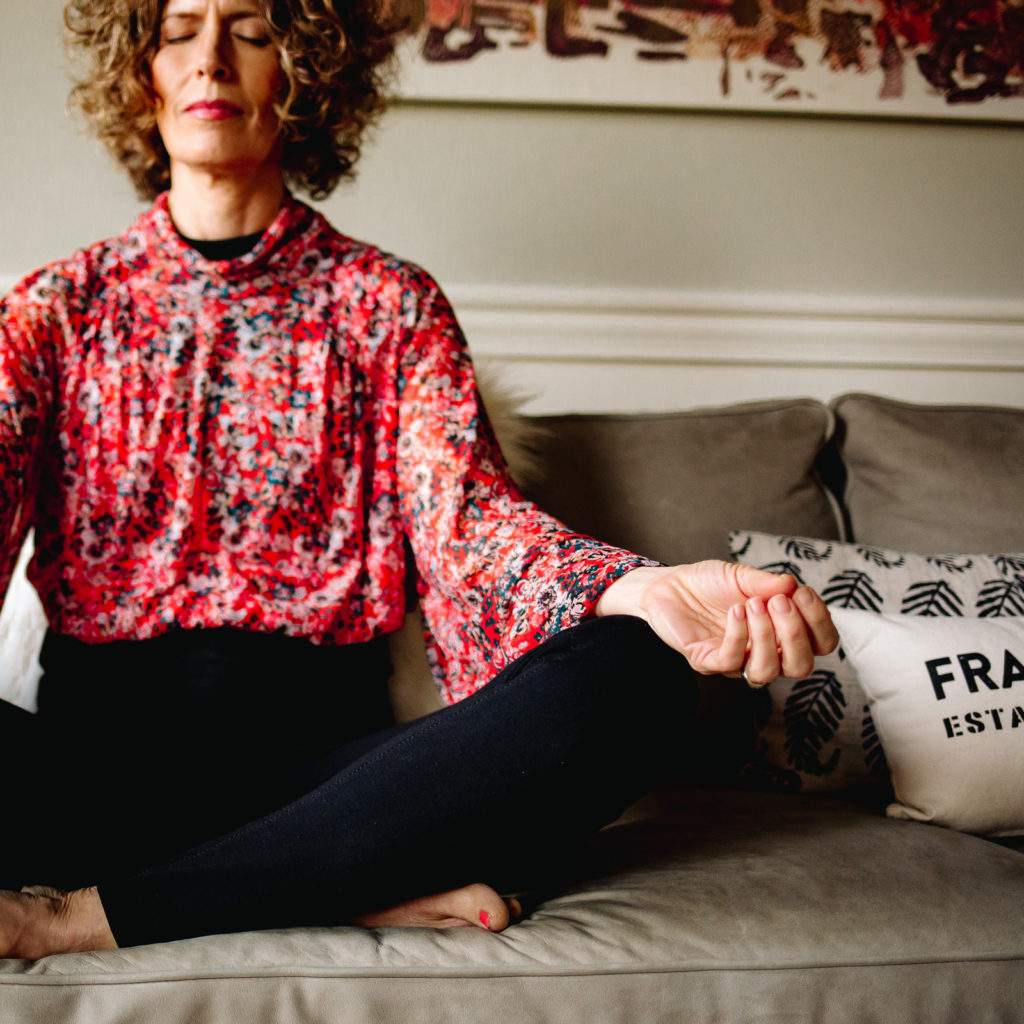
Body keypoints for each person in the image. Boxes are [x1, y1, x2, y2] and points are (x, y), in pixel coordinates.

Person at [0, 0, 838, 960]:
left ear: (306, 71)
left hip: (338, 775)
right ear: (138, 71)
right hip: (90, 769)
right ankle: (327, 877)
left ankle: (87, 913)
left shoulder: (390, 306)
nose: (212, 62)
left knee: (635, 672)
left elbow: (471, 522)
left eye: (254, 31)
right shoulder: (52, 309)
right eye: (179, 30)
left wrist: (638, 589)